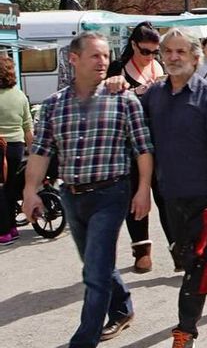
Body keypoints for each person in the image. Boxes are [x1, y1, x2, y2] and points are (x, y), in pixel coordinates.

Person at [23, 32, 154, 346]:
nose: (103, 62)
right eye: (95, 56)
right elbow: (40, 151)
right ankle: (122, 309)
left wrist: (143, 189)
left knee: (94, 273)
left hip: (112, 194)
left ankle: (84, 340)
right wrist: (30, 191)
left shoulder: (123, 99)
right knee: (96, 264)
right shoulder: (54, 105)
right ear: (74, 59)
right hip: (71, 195)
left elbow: (143, 149)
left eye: (106, 56)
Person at [140, 28, 207, 348]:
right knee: (187, 257)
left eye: (181, 52)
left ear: (196, 58)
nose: (173, 57)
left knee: (194, 265)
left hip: (205, 196)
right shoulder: (154, 95)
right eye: (168, 51)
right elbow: (143, 142)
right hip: (170, 195)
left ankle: (185, 332)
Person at [106, 22, 169, 273]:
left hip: (160, 142)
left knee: (167, 197)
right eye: (145, 51)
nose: (150, 57)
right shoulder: (117, 69)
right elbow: (106, 103)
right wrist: (134, 91)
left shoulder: (158, 67)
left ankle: (178, 249)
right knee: (137, 198)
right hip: (129, 144)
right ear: (133, 45)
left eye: (155, 52)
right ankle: (142, 251)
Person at [0, 56, 33, 245]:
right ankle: (12, 227)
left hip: (0, 146)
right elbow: (28, 127)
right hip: (16, 147)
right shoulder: (19, 95)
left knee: (0, 190)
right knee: (11, 187)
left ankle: (3, 232)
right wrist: (33, 151)